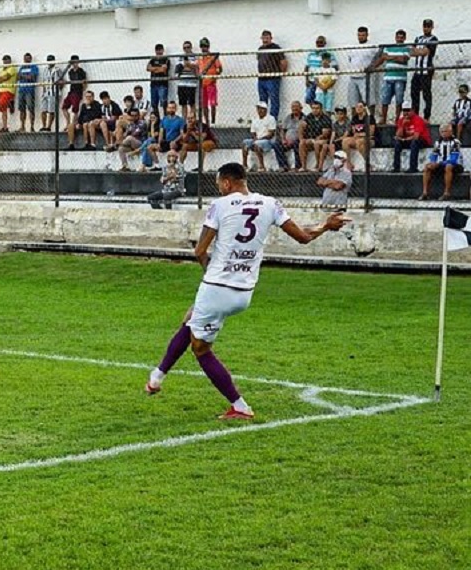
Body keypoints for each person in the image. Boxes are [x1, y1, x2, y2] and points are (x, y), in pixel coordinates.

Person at [146, 162, 350, 419]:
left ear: (227, 182)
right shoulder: (270, 203)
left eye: (219, 183)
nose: (219, 188)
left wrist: (211, 275)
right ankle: (156, 377)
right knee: (191, 319)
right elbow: (304, 237)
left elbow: (199, 251)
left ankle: (240, 406)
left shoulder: (219, 206)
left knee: (200, 348)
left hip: (217, 286)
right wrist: (326, 226)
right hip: (244, 292)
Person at [420, 124, 462, 201]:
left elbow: (454, 159)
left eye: (445, 131)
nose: (443, 133)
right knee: (427, 166)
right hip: (442, 164)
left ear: (451, 132)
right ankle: (425, 193)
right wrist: (433, 163)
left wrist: (439, 164)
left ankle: (447, 193)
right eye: (442, 132)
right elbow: (434, 155)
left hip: (456, 165)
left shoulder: (455, 142)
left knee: (448, 166)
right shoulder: (438, 142)